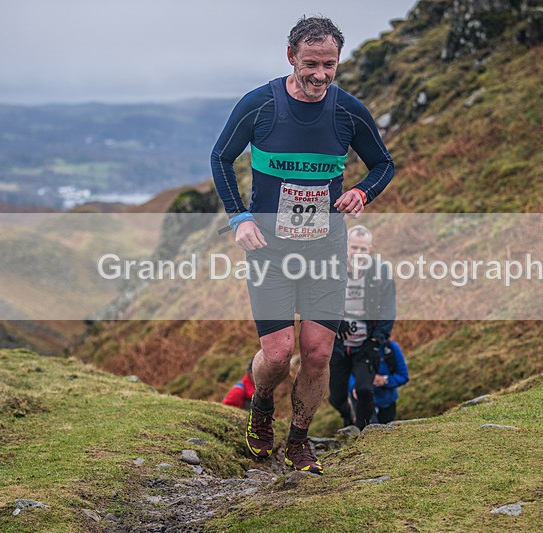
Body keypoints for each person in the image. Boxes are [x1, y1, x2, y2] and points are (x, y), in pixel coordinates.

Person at [210, 16, 394, 474]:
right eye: (310, 63)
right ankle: (262, 407)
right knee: (276, 354)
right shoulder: (260, 105)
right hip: (270, 252)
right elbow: (220, 157)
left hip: (326, 249)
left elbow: (382, 165)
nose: (320, 74)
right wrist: (240, 218)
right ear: (291, 56)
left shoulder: (348, 111)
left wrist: (362, 191)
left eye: (329, 64)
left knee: (316, 353)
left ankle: (298, 441)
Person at [328, 224, 397, 429]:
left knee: (365, 390)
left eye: (363, 249)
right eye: (354, 248)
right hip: (338, 344)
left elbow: (388, 309)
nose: (358, 253)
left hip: (366, 344)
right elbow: (318, 300)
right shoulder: (331, 268)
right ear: (345, 247)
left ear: (370, 249)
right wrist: (334, 322)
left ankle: (365, 433)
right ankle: (348, 415)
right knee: (336, 396)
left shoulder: (381, 272)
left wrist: (377, 340)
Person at [349, 340, 409, 424]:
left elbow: (404, 376)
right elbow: (345, 373)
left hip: (386, 402)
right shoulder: (353, 348)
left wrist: (385, 380)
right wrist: (353, 387)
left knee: (386, 432)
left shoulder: (391, 348)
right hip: (362, 401)